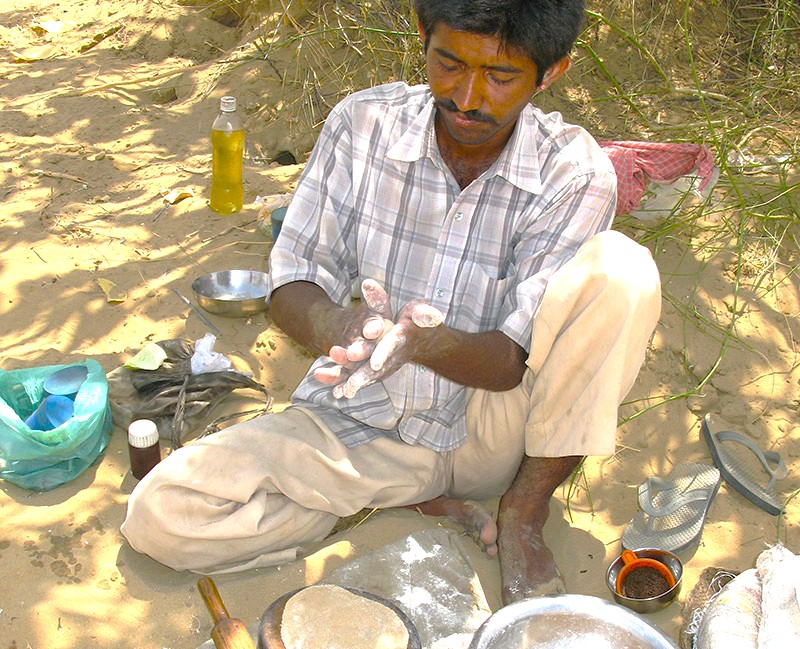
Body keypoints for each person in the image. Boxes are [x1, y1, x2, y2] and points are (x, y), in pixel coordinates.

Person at [121, 0, 661, 603]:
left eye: (502, 76)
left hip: (497, 426)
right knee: (161, 516)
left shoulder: (575, 171)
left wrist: (422, 343)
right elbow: (292, 281)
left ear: (551, 72)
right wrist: (337, 322)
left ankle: (524, 514)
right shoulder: (364, 125)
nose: (468, 96)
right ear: (423, 34)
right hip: (367, 418)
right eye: (448, 63)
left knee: (624, 271)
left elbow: (510, 362)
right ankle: (409, 497)